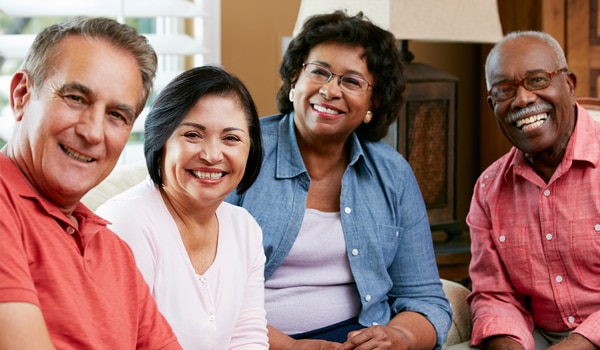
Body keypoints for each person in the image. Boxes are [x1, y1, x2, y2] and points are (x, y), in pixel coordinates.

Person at [225, 10, 452, 350]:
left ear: (373, 103)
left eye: (351, 81)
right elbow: (201, 292)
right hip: (255, 341)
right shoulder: (240, 152)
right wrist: (292, 347)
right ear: (293, 82)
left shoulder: (393, 173)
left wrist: (397, 336)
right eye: (319, 72)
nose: (330, 90)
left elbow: (425, 299)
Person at [0, 16, 182, 349]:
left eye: (117, 115)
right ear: (22, 94)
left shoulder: (114, 252)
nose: (93, 132)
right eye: (76, 98)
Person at [96, 65, 268, 349]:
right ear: (161, 141)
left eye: (231, 138)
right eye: (192, 135)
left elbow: (247, 337)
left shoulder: (245, 228)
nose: (212, 155)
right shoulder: (126, 223)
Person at [452, 31, 600, 350]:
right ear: (493, 105)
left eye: (536, 80)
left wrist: (579, 344)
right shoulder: (489, 188)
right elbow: (494, 294)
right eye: (505, 90)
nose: (522, 100)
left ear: (569, 84)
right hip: (538, 338)